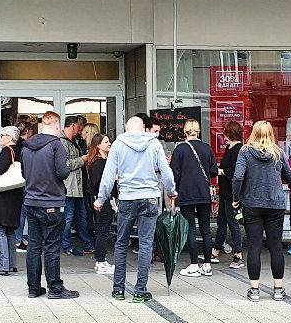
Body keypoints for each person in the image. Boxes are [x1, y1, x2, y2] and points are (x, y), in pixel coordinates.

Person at [94, 115, 176, 303]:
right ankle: (140, 290)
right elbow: (166, 172)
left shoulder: (118, 145)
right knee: (146, 244)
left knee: (121, 243)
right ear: (143, 129)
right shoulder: (154, 144)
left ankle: (118, 289)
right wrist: (171, 191)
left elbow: (108, 176)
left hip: (127, 198)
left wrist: (101, 198)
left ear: (126, 128)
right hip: (149, 198)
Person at [233, 121, 291, 302]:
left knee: (254, 246)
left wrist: (236, 198)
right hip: (275, 204)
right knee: (275, 246)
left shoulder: (245, 151)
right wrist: (287, 184)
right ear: (270, 134)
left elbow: (237, 177)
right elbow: (290, 176)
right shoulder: (278, 153)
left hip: (252, 204)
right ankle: (278, 289)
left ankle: (254, 290)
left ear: (253, 133)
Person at [22, 111, 80, 299]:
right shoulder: (56, 145)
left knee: (34, 246)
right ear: (56, 126)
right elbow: (63, 173)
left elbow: (24, 173)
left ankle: (33, 288)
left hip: (31, 201)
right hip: (52, 202)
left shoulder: (27, 146)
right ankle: (55, 288)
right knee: (52, 246)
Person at [173, 119, 219, 278]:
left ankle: (193, 264)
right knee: (206, 230)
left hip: (186, 193)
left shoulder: (180, 149)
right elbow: (213, 170)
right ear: (198, 131)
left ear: (184, 131)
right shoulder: (207, 148)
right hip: (204, 193)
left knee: (190, 229)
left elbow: (175, 174)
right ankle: (207, 265)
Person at [0, 126, 24, 276]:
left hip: (3, 197)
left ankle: (2, 265)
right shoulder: (20, 150)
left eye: (2, 135)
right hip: (14, 196)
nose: (0, 138)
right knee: (9, 230)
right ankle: (11, 264)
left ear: (9, 137)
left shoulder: (8, 150)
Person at [213, 121, 244, 268]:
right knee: (221, 222)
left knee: (233, 223)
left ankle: (238, 254)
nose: (223, 136)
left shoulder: (238, 149)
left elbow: (237, 172)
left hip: (232, 193)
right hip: (225, 191)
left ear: (231, 133)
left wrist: (222, 171)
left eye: (225, 132)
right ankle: (215, 251)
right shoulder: (229, 147)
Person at [60, 118, 92, 256]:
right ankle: (66, 246)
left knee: (82, 215)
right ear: (72, 126)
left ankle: (87, 244)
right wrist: (82, 159)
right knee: (68, 217)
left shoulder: (75, 142)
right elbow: (64, 165)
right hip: (69, 187)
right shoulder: (61, 142)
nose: (80, 129)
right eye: (79, 126)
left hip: (79, 187)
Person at [85, 133, 115, 275]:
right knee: (103, 230)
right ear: (98, 145)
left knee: (102, 229)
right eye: (106, 142)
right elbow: (98, 183)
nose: (109, 144)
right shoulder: (98, 162)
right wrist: (114, 178)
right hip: (101, 199)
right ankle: (100, 261)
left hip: (102, 199)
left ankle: (101, 260)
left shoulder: (102, 161)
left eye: (109, 141)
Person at [15, 121, 34, 254]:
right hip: (24, 180)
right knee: (23, 212)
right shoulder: (25, 146)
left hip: (17, 181)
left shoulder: (15, 145)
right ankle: (18, 240)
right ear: (27, 131)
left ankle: (19, 238)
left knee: (21, 211)